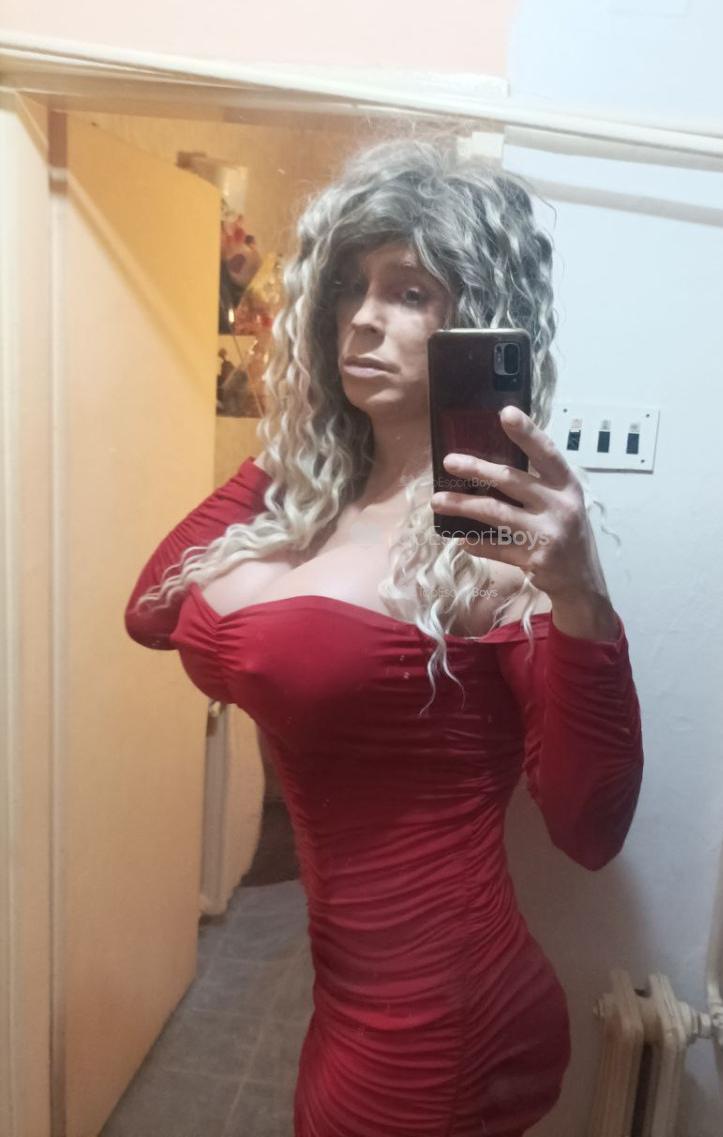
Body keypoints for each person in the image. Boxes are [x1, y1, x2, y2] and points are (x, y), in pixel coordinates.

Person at [124, 138, 644, 1137]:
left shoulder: (499, 551)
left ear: (477, 325)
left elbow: (589, 831)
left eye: (410, 293)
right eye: (349, 289)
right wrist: (291, 443)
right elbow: (150, 609)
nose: (363, 318)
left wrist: (580, 594)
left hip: (439, 1013)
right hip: (350, 988)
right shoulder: (315, 509)